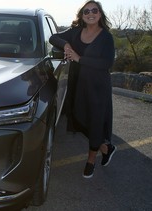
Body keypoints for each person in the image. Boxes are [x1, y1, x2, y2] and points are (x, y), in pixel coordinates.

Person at [49, 0, 116, 178]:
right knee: (77, 117)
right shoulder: (76, 32)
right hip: (77, 84)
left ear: (100, 14)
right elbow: (53, 38)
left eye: (94, 10)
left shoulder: (106, 37)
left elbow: (107, 63)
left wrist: (80, 59)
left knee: (94, 121)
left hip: (97, 86)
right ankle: (105, 147)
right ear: (82, 15)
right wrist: (66, 45)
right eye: (86, 11)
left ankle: (91, 160)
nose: (90, 13)